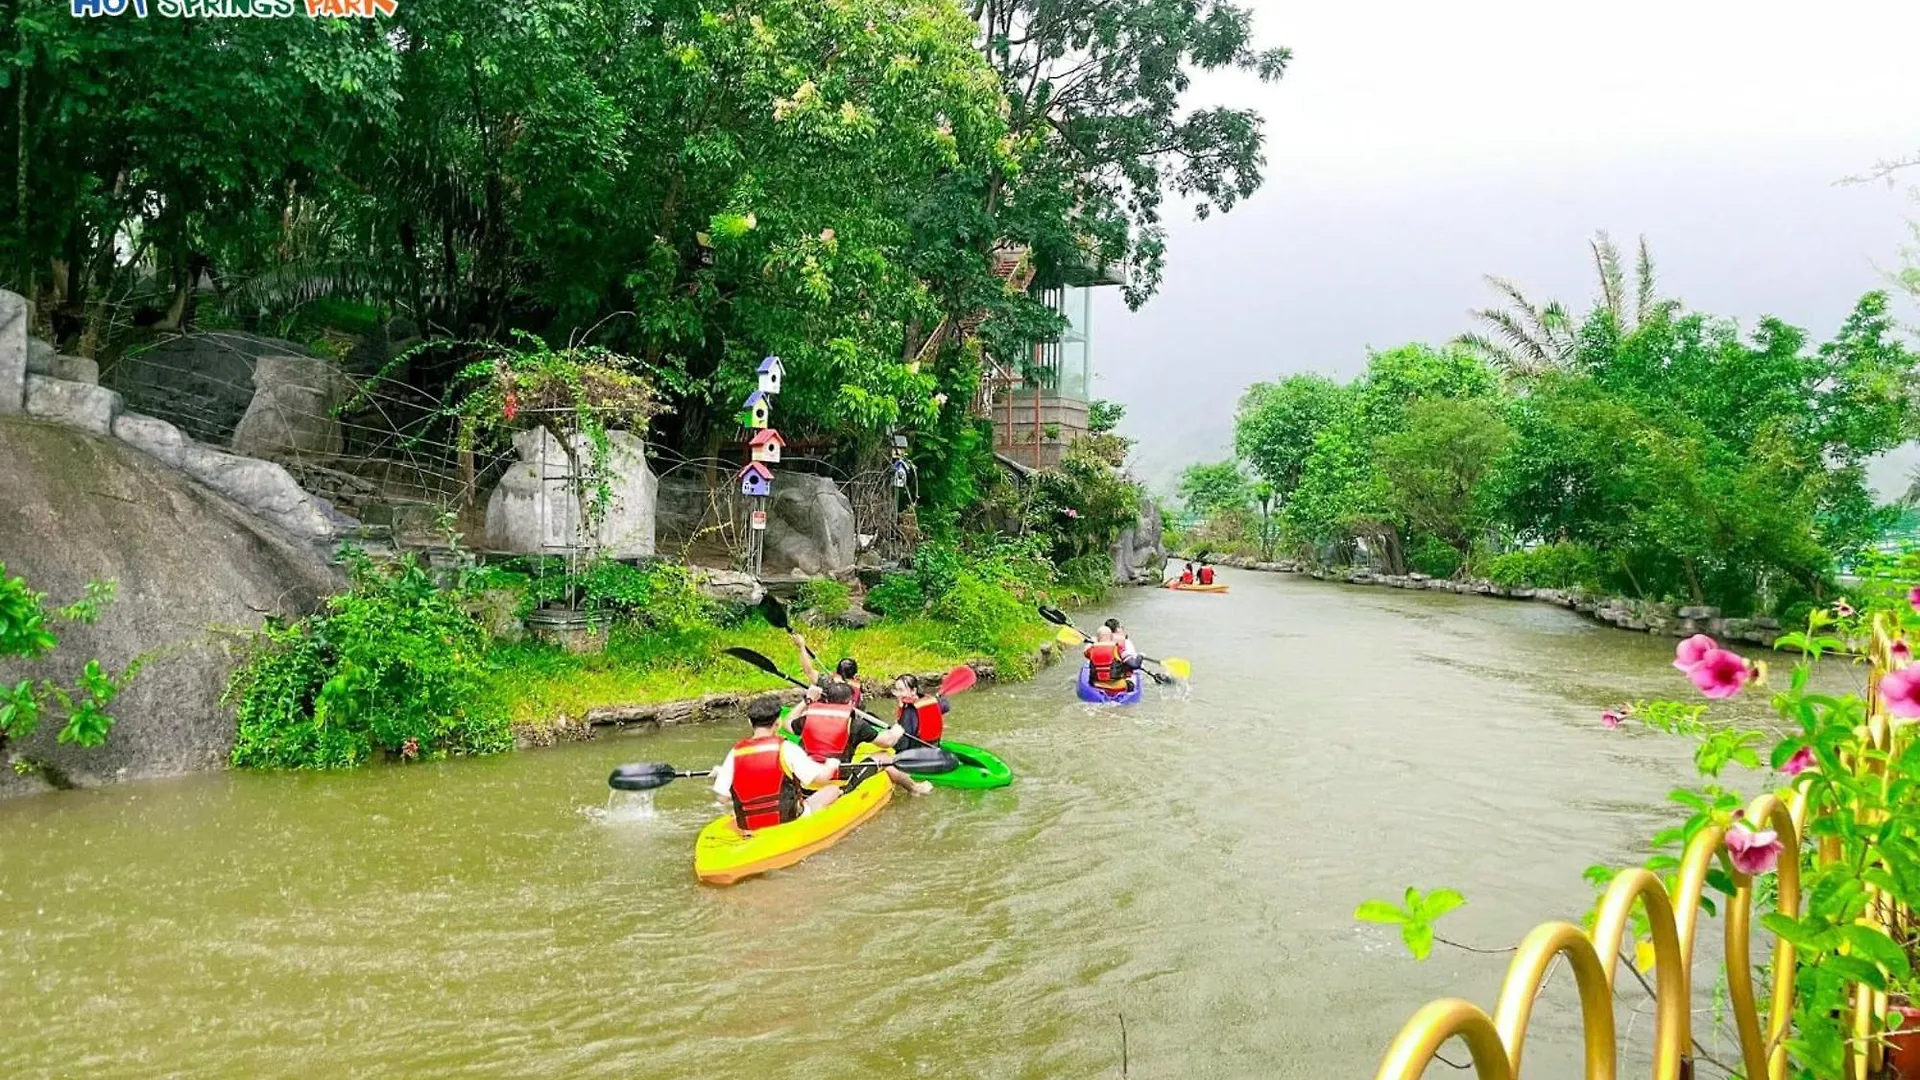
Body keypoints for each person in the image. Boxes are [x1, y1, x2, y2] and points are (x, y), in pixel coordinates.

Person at [711, 695, 844, 831]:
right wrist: (831, 764)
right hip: (787, 821)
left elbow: (723, 798)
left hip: (749, 826)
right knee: (832, 790)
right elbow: (821, 779)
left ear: (750, 723)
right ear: (778, 723)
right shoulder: (787, 748)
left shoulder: (735, 752)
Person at [789, 680, 932, 795]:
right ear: (851, 703)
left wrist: (807, 700)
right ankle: (915, 788)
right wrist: (897, 730)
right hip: (837, 784)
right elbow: (887, 742)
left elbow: (787, 723)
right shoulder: (856, 725)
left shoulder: (808, 717)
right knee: (884, 757)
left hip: (804, 783)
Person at [793, 632, 863, 707]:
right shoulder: (857, 688)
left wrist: (802, 646)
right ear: (855, 676)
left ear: (837, 672)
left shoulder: (827, 682)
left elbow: (809, 671)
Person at [889, 673, 945, 745]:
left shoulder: (909, 711)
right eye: (896, 690)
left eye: (901, 690)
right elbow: (946, 706)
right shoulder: (930, 701)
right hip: (934, 747)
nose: (898, 694)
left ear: (913, 691)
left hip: (916, 753)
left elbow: (903, 743)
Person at [1084, 625, 1142, 694]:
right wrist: (1140, 656)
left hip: (1097, 686)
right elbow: (1135, 665)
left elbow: (1086, 652)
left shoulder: (1090, 650)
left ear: (1097, 638)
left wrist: (1093, 642)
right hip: (1118, 687)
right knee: (1128, 676)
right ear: (1111, 637)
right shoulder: (1119, 649)